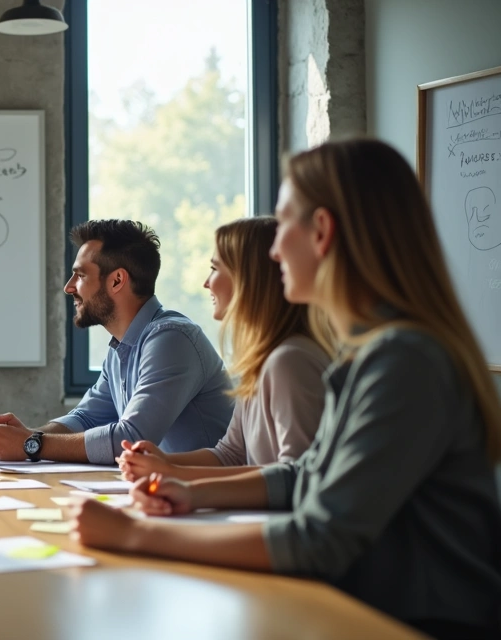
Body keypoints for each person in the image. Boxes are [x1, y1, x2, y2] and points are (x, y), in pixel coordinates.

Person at [73, 139, 501, 639]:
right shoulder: (366, 354)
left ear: (321, 231)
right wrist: (187, 492)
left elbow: (319, 538)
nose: (274, 252)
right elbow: (304, 475)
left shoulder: (402, 362)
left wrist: (138, 535)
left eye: (283, 226)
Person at [0, 220, 233, 465]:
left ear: (116, 280)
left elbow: (131, 439)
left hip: (206, 490)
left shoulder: (172, 339)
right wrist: (29, 435)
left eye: (80, 275)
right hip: (163, 487)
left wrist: (31, 444)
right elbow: (86, 418)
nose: (68, 287)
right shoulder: (121, 347)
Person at [118, 217, 330, 481]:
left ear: (248, 279)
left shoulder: (289, 362)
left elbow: (297, 478)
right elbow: (230, 454)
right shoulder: (260, 362)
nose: (207, 283)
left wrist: (175, 475)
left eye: (214, 268)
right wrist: (160, 461)